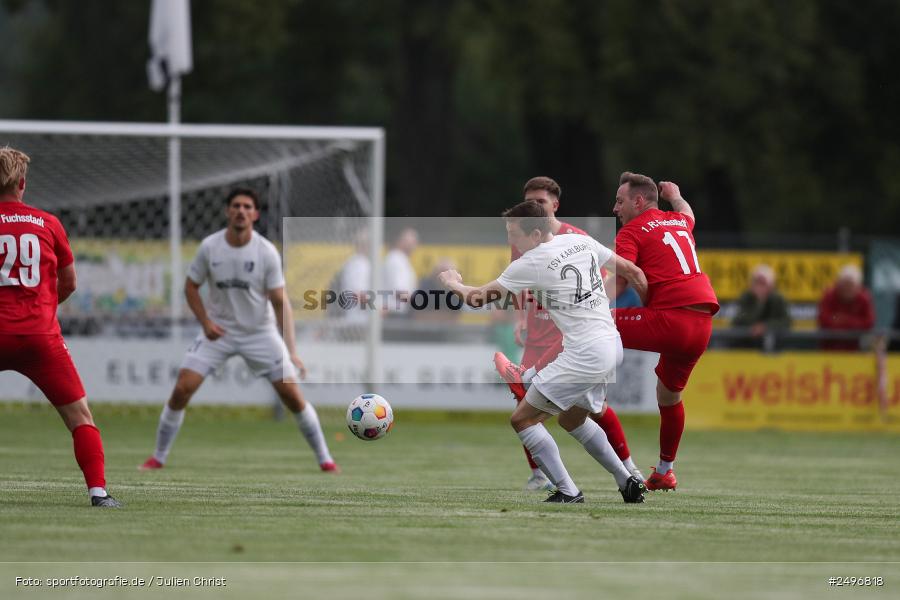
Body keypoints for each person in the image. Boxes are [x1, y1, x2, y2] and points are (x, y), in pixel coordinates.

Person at [441, 200, 649, 504]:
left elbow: (476, 299)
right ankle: (627, 480)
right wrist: (649, 313)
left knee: (522, 419)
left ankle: (568, 491)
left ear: (536, 234)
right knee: (571, 420)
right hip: (610, 344)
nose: (511, 240)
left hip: (585, 353)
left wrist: (453, 283)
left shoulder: (532, 261)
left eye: (514, 234)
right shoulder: (580, 240)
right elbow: (632, 271)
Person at [139, 189, 338, 472]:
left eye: (247, 206)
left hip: (260, 332)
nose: (241, 211)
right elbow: (190, 287)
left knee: (293, 396)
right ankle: (157, 457)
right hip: (218, 331)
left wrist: (292, 351)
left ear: (255, 214)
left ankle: (325, 459)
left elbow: (281, 303)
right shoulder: (210, 247)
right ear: (227, 212)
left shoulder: (266, 252)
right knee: (182, 388)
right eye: (235, 206)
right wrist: (206, 323)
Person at [494, 177, 642, 493]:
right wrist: (521, 316)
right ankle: (544, 474)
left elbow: (604, 281)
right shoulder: (522, 238)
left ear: (555, 206)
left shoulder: (577, 237)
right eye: (530, 201)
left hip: (571, 339)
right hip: (545, 334)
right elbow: (516, 282)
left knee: (546, 411)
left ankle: (621, 471)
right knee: (551, 411)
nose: (534, 207)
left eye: (541, 202)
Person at [0, 147, 121, 507]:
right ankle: (99, 493)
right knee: (80, 416)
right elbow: (68, 283)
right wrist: (42, 309)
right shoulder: (48, 224)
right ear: (22, 183)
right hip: (40, 337)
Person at [731, 264, 791, 349]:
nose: (759, 286)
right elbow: (736, 321)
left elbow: (786, 322)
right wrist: (759, 302)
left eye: (763, 283)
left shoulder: (778, 299)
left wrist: (765, 327)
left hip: (775, 347)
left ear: (771, 285)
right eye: (757, 282)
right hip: (746, 347)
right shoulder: (746, 298)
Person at [817, 264, 875, 351]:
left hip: (857, 350)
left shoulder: (864, 298)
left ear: (858, 287)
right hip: (830, 349)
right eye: (845, 284)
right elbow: (824, 321)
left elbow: (868, 323)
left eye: (851, 285)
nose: (847, 289)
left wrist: (844, 321)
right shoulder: (829, 295)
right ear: (839, 284)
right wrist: (852, 324)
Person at [382, 227, 419, 315]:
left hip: (394, 312)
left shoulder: (399, 259)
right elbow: (399, 292)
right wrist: (421, 303)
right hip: (393, 313)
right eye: (410, 242)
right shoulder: (397, 259)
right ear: (399, 241)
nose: (413, 245)